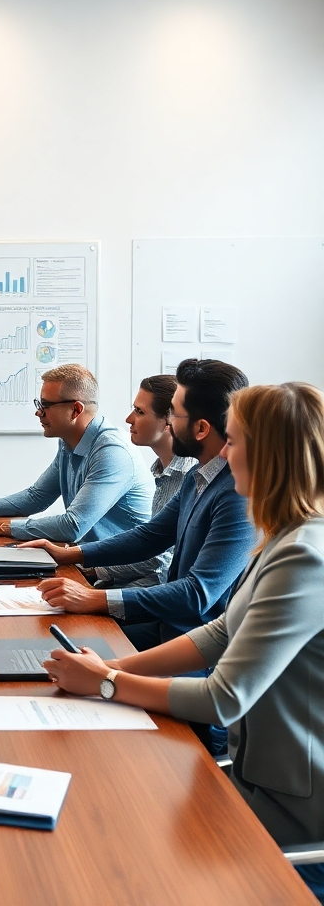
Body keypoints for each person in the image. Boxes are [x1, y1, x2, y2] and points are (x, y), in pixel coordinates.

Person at [43, 382, 324, 902]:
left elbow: (223, 697)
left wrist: (107, 683)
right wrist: (115, 666)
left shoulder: (305, 555)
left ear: (268, 455)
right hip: (253, 779)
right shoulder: (283, 535)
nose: (225, 455)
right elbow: (219, 633)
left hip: (291, 816)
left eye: (233, 442)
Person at [29, 359, 255, 653]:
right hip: (169, 627)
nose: (168, 422)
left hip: (199, 647)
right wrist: (69, 554)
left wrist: (93, 598)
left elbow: (197, 594)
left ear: (201, 428)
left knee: (67, 646)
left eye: (174, 413)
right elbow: (149, 537)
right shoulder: (197, 477)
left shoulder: (237, 495)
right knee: (53, 639)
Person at [0, 364, 152, 543]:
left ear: (76, 410)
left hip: (125, 572)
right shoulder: (69, 442)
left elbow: (72, 526)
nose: (38, 412)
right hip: (91, 563)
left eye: (46, 405)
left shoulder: (112, 452)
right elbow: (36, 497)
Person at [88, 375, 196, 588]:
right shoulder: (159, 470)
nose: (129, 419)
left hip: (165, 590)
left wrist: (94, 570)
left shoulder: (189, 477)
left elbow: (160, 559)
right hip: (141, 578)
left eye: (139, 411)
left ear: (169, 421)